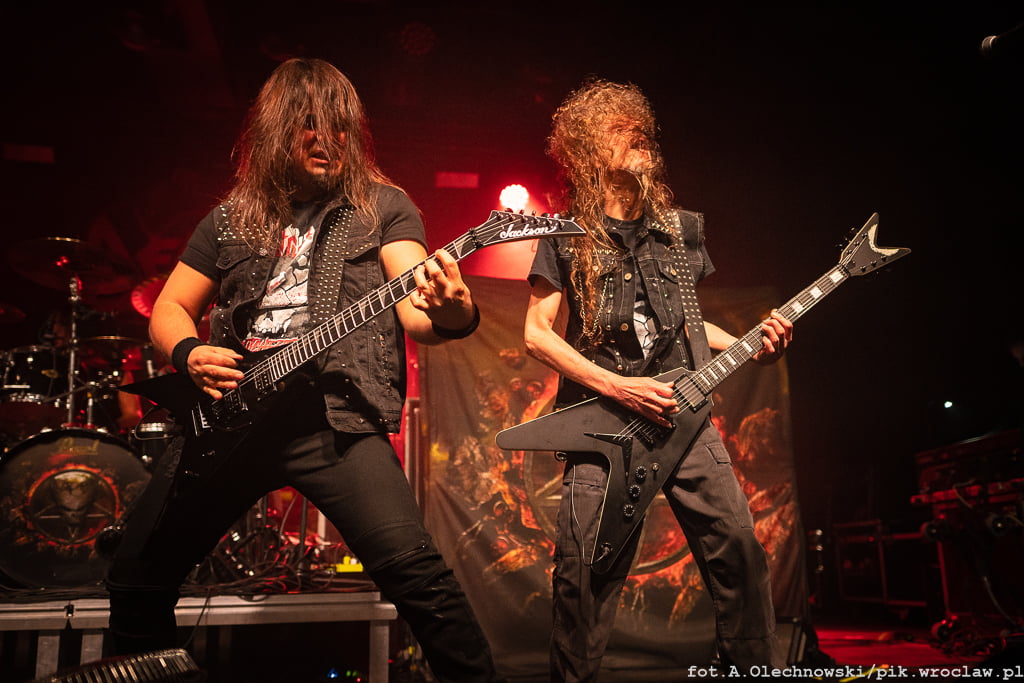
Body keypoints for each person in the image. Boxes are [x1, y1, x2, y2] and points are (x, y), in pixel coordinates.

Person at [105, 58, 499, 682]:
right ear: (277, 129)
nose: (328, 139)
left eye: (340, 126)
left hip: (332, 423)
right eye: (310, 124)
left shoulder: (383, 207)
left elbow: (417, 311)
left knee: (420, 580)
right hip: (227, 416)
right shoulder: (232, 217)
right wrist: (188, 353)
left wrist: (454, 308)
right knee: (135, 581)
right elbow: (170, 307)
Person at [522, 77, 794, 680]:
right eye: (619, 128)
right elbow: (537, 335)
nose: (638, 135)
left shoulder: (679, 230)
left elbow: (690, 328)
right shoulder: (565, 234)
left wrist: (754, 344)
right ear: (589, 149)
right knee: (583, 577)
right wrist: (618, 387)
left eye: (641, 127)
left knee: (740, 551)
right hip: (602, 426)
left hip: (684, 419)